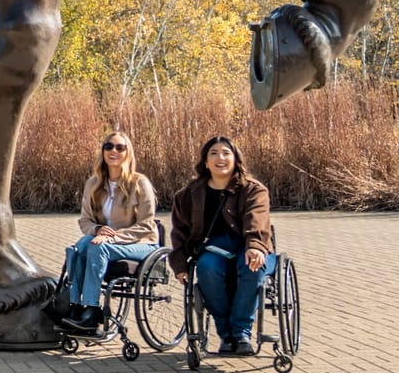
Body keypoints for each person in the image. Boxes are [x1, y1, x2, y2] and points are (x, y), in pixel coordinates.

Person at [168, 135, 275, 356]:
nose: (220, 158)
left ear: (236, 159)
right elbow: (179, 231)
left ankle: (241, 332)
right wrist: (179, 264)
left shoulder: (253, 190)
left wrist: (255, 245)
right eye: (214, 154)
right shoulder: (189, 194)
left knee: (251, 266)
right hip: (213, 249)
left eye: (226, 153)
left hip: (249, 246)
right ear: (205, 161)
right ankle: (226, 334)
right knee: (207, 268)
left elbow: (257, 218)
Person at [56, 130, 158, 336]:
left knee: (97, 247)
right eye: (109, 146)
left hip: (141, 243)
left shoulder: (139, 183)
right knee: (79, 247)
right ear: (103, 151)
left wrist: (113, 237)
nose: (114, 151)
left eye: (120, 147)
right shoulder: (93, 184)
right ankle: (75, 306)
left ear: (127, 153)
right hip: (103, 241)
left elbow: (146, 225)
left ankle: (93, 310)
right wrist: (96, 230)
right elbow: (84, 220)